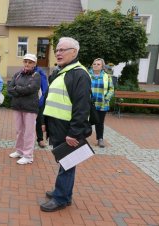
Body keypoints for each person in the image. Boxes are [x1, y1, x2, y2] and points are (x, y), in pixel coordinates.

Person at [40, 37, 92, 212]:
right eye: (57, 50)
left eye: (63, 50)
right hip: (57, 126)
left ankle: (60, 198)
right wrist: (45, 123)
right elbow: (51, 99)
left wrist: (74, 132)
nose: (58, 53)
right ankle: (63, 193)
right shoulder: (61, 72)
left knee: (67, 163)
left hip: (68, 129)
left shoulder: (79, 74)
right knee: (65, 161)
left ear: (74, 52)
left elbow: (82, 107)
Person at [7, 53, 41, 165]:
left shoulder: (36, 75)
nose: (27, 64)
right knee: (19, 130)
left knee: (29, 132)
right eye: (25, 61)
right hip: (18, 106)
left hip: (30, 108)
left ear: (34, 64)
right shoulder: (18, 74)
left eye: (30, 62)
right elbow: (10, 88)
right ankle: (19, 151)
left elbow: (31, 89)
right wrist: (21, 90)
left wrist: (18, 89)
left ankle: (28, 156)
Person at [89, 58, 114, 148]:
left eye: (98, 64)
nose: (95, 65)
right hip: (89, 104)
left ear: (102, 66)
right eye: (94, 64)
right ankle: (81, 138)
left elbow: (111, 89)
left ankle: (100, 139)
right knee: (85, 121)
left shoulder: (107, 76)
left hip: (102, 104)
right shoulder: (87, 75)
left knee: (100, 122)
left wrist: (106, 99)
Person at [34, 67, 48, 148]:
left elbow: (45, 89)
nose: (28, 64)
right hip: (27, 103)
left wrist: (41, 101)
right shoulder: (23, 72)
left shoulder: (40, 73)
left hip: (39, 102)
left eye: (31, 62)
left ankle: (40, 139)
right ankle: (25, 140)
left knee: (39, 121)